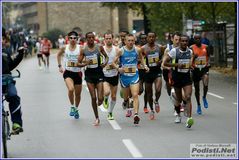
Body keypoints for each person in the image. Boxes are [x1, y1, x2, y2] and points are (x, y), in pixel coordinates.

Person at [113, 34, 149, 125]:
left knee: (135, 94)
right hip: (124, 77)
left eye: (132, 40)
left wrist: (145, 66)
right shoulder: (121, 51)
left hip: (134, 75)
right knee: (126, 97)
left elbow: (141, 58)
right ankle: (125, 101)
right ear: (125, 41)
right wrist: (118, 68)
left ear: (134, 41)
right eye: (128, 40)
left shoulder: (137, 49)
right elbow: (113, 62)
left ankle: (136, 114)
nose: (130, 42)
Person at [162, 35, 194, 128]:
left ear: (188, 42)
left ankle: (189, 118)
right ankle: (178, 114)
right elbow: (165, 63)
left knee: (188, 97)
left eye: (186, 41)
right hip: (176, 77)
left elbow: (190, 62)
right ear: (179, 42)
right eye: (182, 41)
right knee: (179, 99)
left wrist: (190, 65)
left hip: (186, 77)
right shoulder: (174, 51)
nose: (184, 43)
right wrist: (176, 65)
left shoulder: (190, 51)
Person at [78, 32, 109, 126]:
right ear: (86, 39)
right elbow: (78, 63)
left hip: (99, 73)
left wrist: (104, 63)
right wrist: (85, 63)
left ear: (94, 38)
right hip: (89, 75)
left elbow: (106, 57)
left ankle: (102, 100)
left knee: (100, 99)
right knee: (93, 97)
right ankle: (97, 118)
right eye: (89, 38)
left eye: (92, 37)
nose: (91, 39)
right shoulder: (83, 49)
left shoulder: (99, 47)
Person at [2, 27, 25, 134]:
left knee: (14, 96)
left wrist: (20, 55)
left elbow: (10, 66)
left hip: (7, 80)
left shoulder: (5, 52)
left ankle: (16, 124)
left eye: (2, 38)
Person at [57, 31, 83, 119]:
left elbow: (86, 58)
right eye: (71, 38)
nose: (72, 39)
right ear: (68, 39)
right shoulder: (65, 48)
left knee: (78, 94)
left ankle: (76, 109)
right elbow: (58, 55)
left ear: (77, 39)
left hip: (78, 73)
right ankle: (72, 107)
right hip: (68, 72)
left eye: (74, 38)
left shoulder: (81, 48)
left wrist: (82, 64)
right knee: (71, 89)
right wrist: (60, 66)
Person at [141, 32, 165, 120]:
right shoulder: (143, 48)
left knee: (158, 90)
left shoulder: (160, 47)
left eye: (153, 37)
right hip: (147, 73)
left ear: (155, 38)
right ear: (147, 38)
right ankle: (151, 110)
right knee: (149, 93)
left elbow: (164, 57)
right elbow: (140, 59)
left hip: (157, 71)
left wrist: (161, 61)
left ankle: (156, 101)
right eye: (149, 37)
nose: (151, 38)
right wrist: (144, 65)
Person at [102, 33, 120, 120]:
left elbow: (120, 60)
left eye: (110, 38)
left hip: (114, 75)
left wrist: (116, 65)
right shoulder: (102, 49)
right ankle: (105, 99)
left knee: (113, 96)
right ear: (104, 39)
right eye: (107, 38)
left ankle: (110, 112)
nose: (108, 40)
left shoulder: (116, 49)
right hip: (105, 75)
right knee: (106, 92)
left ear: (112, 39)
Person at [190, 33, 210, 115]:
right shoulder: (191, 47)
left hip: (204, 68)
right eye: (196, 39)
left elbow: (208, 57)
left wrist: (208, 63)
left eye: (199, 38)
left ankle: (204, 97)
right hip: (196, 69)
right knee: (197, 89)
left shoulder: (206, 47)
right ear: (194, 39)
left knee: (206, 81)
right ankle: (198, 105)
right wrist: (194, 57)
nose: (198, 40)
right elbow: (189, 58)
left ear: (201, 39)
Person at [137, 33, 148, 114]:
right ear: (140, 39)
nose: (144, 40)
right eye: (142, 39)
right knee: (140, 90)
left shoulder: (149, 48)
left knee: (147, 90)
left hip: (147, 70)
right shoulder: (137, 48)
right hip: (139, 70)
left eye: (145, 38)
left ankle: (145, 106)